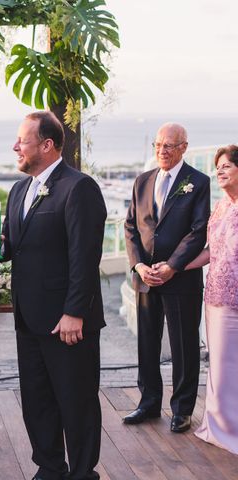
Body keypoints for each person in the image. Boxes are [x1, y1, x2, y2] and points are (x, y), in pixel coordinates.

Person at [0, 111, 107, 480]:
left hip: (67, 320)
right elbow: (16, 246)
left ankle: (83, 472)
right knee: (37, 401)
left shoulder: (79, 187)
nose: (15, 146)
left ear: (47, 145)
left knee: (76, 401)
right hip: (28, 316)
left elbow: (85, 257)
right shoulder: (19, 189)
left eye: (22, 140)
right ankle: (50, 468)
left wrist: (74, 312)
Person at [123, 123, 210, 433]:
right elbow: (131, 226)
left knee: (184, 346)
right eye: (158, 145)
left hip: (180, 279)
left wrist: (173, 265)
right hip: (145, 277)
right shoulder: (142, 181)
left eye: (169, 146)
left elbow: (199, 230)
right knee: (147, 343)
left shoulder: (198, 182)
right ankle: (148, 403)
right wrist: (138, 266)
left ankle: (182, 409)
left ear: (184, 147)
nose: (161, 150)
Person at [186, 145, 238, 454]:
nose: (219, 171)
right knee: (217, 364)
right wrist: (176, 267)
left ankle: (230, 428)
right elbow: (211, 251)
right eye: (217, 166)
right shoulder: (220, 207)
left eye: (227, 166)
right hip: (215, 296)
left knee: (231, 365)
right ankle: (218, 425)